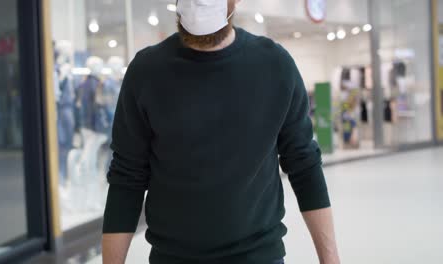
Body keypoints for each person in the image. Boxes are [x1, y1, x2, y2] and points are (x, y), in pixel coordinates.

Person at [102, 0, 341, 263]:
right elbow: (127, 178)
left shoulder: (275, 66)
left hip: (258, 256)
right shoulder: (146, 72)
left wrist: (330, 259)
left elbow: (305, 165)